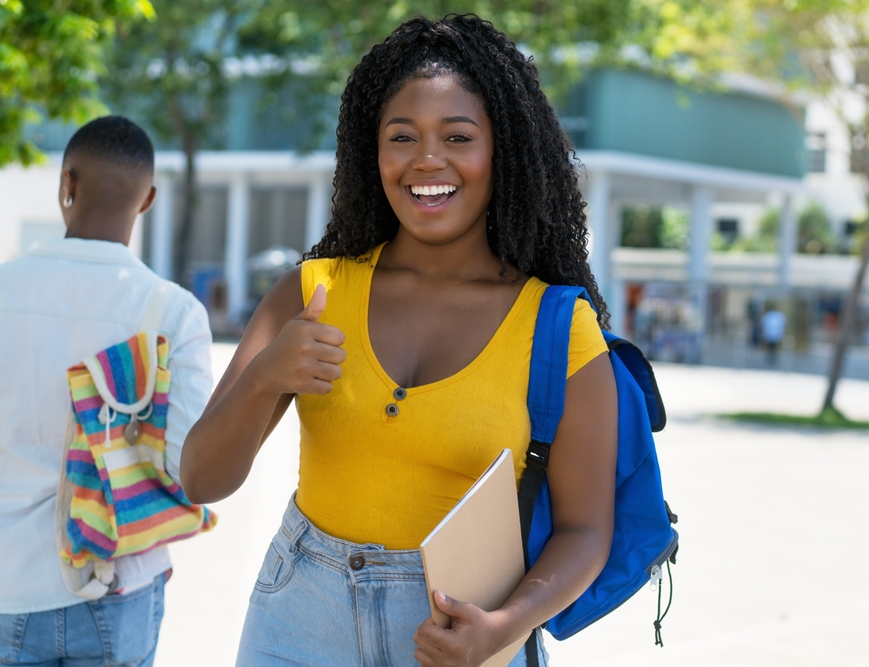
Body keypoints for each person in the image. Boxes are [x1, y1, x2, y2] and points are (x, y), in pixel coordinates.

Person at [180, 14, 618, 667]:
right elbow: (199, 479)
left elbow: (586, 530)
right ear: (373, 151)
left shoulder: (556, 325)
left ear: (503, 150)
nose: (426, 160)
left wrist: (503, 627)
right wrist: (265, 377)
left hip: (461, 631)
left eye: (458, 136)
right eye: (402, 136)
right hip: (298, 619)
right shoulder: (313, 292)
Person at [0, 116, 214, 666]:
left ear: (66, 183)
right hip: (121, 584)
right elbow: (188, 469)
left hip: (4, 587)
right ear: (148, 200)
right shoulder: (174, 313)